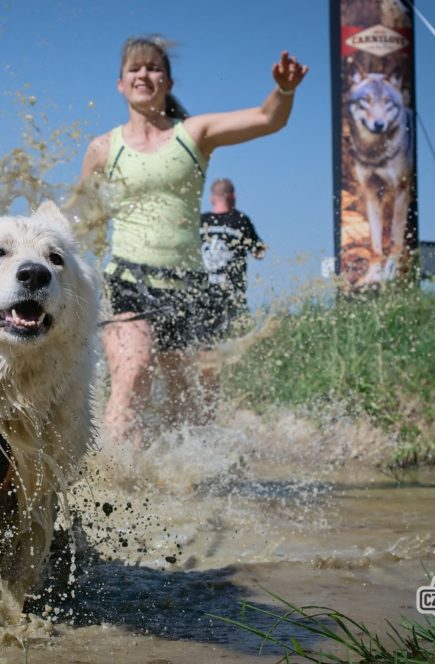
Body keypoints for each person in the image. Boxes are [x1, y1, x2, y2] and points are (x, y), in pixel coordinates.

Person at [79, 36, 307, 448]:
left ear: (166, 81)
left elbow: (268, 118)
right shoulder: (101, 148)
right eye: (134, 69)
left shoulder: (194, 133)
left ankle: (174, 491)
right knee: (133, 372)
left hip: (188, 289)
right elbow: (84, 224)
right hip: (126, 281)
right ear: (120, 84)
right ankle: (109, 487)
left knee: (190, 409)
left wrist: (284, 89)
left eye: (152, 68)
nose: (143, 74)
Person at [200, 178, 266, 338]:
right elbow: (259, 252)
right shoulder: (241, 220)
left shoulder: (200, 222)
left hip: (201, 292)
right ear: (233, 196)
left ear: (211, 198)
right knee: (230, 339)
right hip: (232, 293)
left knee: (202, 340)